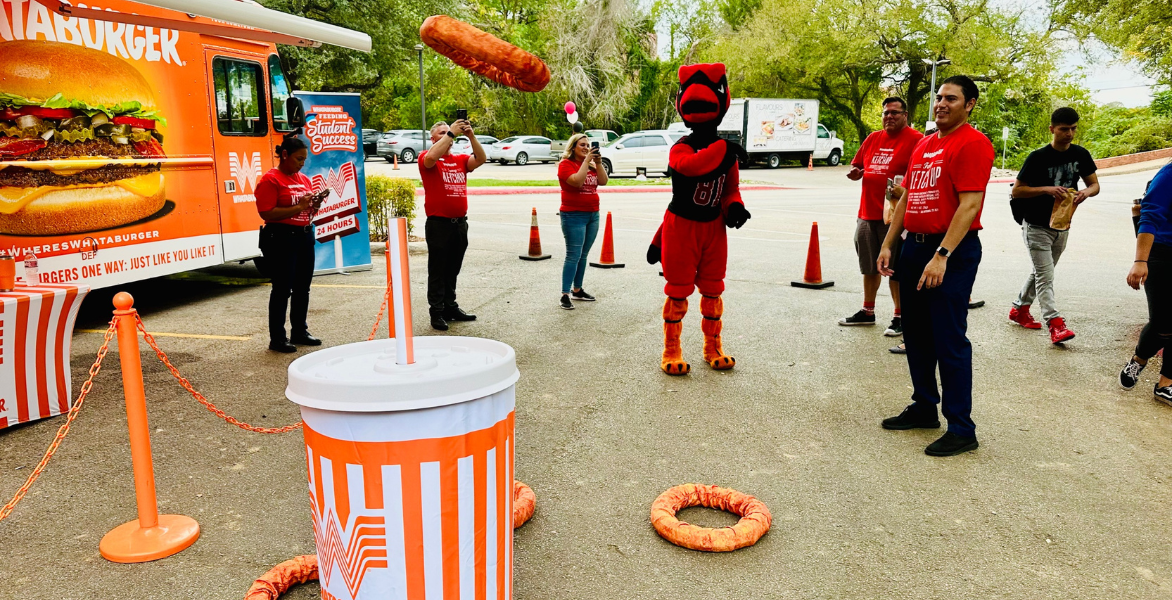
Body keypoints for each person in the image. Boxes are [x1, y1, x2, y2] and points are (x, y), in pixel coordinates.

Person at [877, 75, 995, 457]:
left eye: (951, 98)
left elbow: (969, 205)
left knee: (949, 339)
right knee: (917, 335)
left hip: (951, 253)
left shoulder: (974, 144)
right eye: (939, 97)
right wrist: (888, 244)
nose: (941, 103)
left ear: (970, 104)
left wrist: (941, 256)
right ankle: (925, 407)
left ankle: (962, 427)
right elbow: (909, 196)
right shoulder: (926, 144)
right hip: (914, 248)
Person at [1008, 107, 1100, 343]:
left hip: (1062, 224)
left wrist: (1085, 193)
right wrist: (1046, 189)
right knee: (1045, 276)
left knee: (1042, 273)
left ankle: (1019, 309)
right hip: (1036, 225)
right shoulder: (1038, 157)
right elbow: (1017, 190)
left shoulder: (1081, 154)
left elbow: (1095, 185)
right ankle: (1055, 324)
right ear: (1052, 129)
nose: (1069, 133)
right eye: (1064, 129)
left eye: (1073, 129)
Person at [842, 97, 923, 336]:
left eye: (895, 113)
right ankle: (868, 311)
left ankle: (900, 316)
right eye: (886, 113)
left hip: (895, 217)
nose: (889, 117)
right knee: (869, 266)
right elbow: (858, 166)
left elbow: (920, 176)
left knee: (895, 269)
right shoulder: (873, 139)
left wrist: (904, 191)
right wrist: (856, 173)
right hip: (867, 214)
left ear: (905, 115)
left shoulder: (917, 140)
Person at [255, 134, 326, 353]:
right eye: (298, 159)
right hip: (281, 238)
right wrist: (299, 206)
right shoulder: (270, 180)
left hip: (304, 235)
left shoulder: (302, 179)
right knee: (282, 288)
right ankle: (277, 338)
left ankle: (299, 331)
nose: (302, 164)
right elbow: (266, 212)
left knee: (302, 288)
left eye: (304, 160)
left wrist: (315, 204)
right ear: (284, 155)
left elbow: (307, 208)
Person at [420, 119, 487, 331]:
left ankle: (450, 306)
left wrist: (471, 137)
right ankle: (436, 312)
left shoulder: (459, 159)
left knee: (453, 269)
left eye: (448, 132)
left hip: (459, 224)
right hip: (438, 224)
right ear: (433, 138)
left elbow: (481, 159)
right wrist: (452, 134)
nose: (447, 135)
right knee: (438, 270)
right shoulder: (427, 157)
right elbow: (431, 157)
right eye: (442, 133)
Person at [1119, 161, 1172, 405]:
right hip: (1162, 252)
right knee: (1163, 323)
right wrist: (1141, 260)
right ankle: (1139, 360)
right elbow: (1149, 215)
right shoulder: (1169, 174)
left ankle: (1165, 384)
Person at [557, 133, 609, 309]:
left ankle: (577, 290)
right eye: (583, 145)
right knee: (573, 255)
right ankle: (565, 293)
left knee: (583, 254)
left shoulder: (593, 165)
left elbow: (603, 181)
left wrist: (599, 163)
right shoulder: (566, 164)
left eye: (588, 145)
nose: (587, 147)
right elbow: (577, 182)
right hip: (573, 215)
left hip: (592, 214)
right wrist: (587, 162)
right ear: (573, 147)